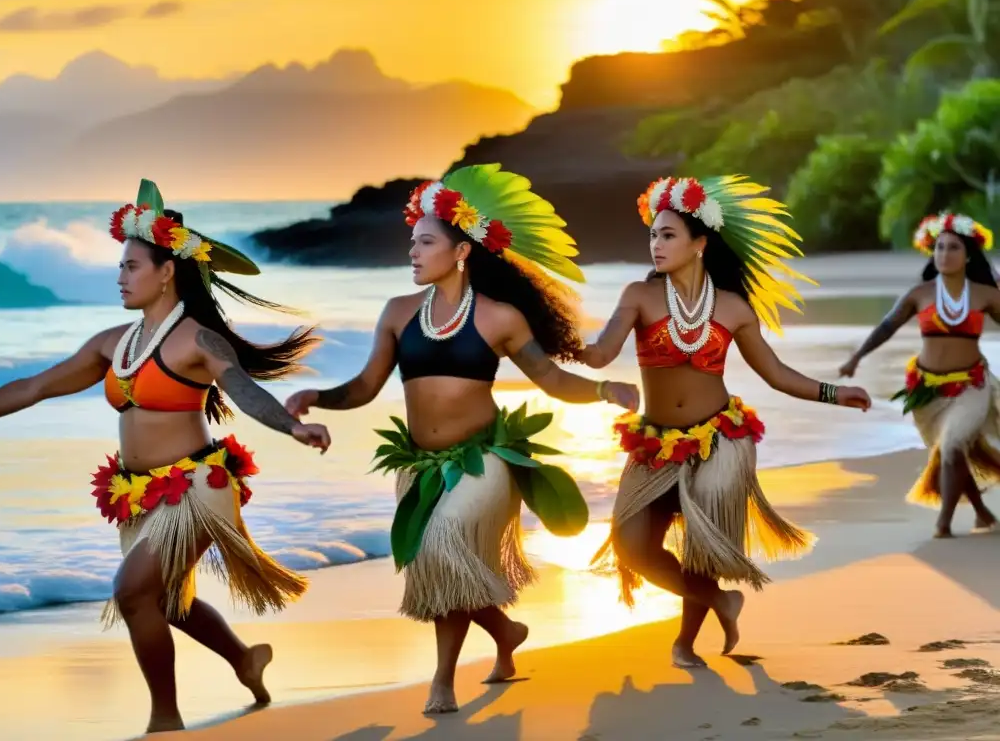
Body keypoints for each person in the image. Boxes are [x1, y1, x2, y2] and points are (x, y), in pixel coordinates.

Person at [0, 179, 332, 734]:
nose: (120, 276)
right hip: (140, 494)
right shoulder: (110, 343)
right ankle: (244, 659)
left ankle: (165, 720)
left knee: (131, 591)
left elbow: (240, 387)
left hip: (198, 488)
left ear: (166, 272)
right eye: (119, 266)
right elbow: (33, 387)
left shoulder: (197, 340)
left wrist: (291, 425)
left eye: (131, 266)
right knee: (164, 602)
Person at [284, 163, 639, 713]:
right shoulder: (398, 314)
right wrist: (317, 398)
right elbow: (364, 386)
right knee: (438, 562)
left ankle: (443, 680)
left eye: (425, 242)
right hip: (420, 464)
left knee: (446, 546)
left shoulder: (500, 317)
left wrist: (604, 390)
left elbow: (551, 378)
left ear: (461, 250)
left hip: (484, 462)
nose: (413, 251)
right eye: (411, 242)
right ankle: (503, 633)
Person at [582, 175, 872, 668]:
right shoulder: (638, 296)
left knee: (703, 550)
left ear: (700, 243)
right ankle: (721, 602)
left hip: (720, 439)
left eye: (668, 234)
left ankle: (685, 643)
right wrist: (554, 339)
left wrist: (833, 392)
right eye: (653, 234)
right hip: (655, 443)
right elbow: (600, 352)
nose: (656, 244)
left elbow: (776, 373)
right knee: (633, 546)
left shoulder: (734, 307)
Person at [840, 212, 1000, 538]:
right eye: (939, 248)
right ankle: (982, 513)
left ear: (968, 255)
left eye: (953, 248)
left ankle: (943, 522)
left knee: (954, 444)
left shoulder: (985, 295)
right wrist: (856, 358)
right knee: (950, 450)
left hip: (971, 385)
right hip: (927, 391)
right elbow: (887, 326)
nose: (944, 254)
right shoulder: (921, 293)